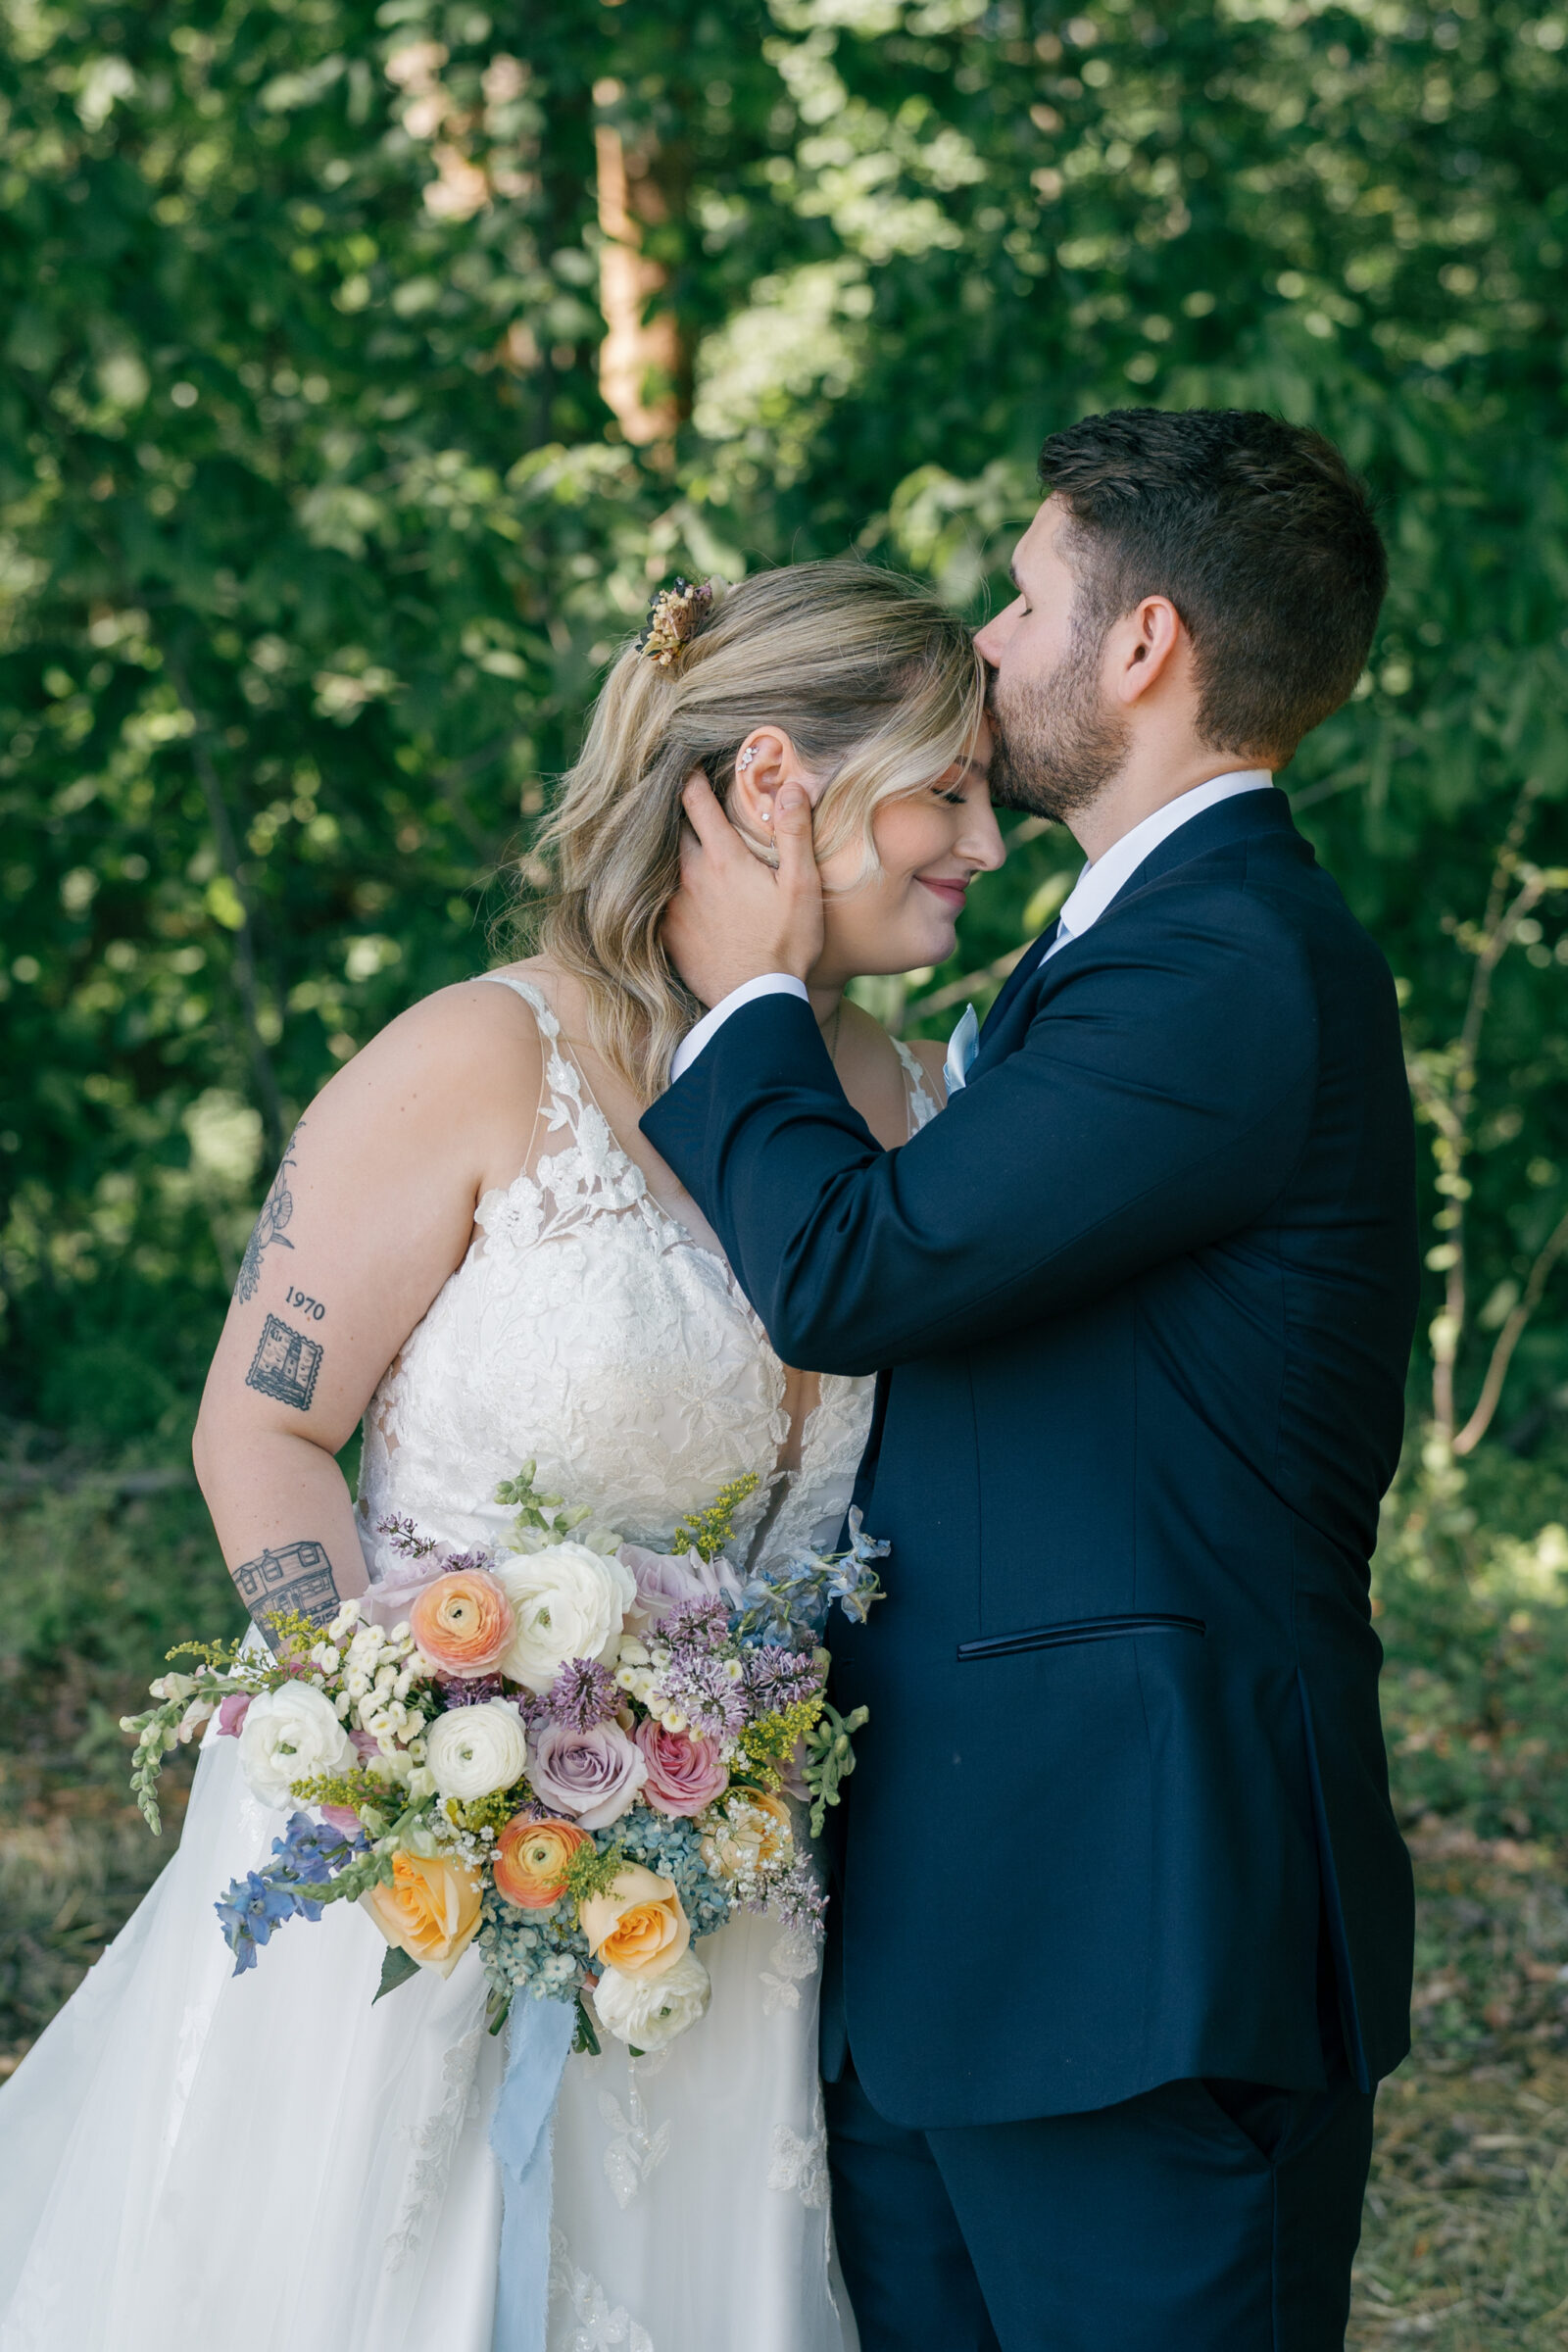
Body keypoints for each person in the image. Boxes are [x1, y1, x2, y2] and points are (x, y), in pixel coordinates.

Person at [0, 562, 1003, 2352]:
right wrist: (397, 1739)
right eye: (948, 788)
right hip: (422, 1876)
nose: (988, 841)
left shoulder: (926, 1111)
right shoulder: (484, 1055)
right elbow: (263, 1420)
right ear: (775, 784)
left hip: (740, 1908)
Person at [643, 408, 1421, 2352]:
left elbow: (849, 1268)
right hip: (982, 1932)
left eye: (1018, 595)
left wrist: (743, 979)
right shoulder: (1109, 961)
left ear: (1141, 644)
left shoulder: (1222, 970)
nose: (987, 645)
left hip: (1144, 1935)